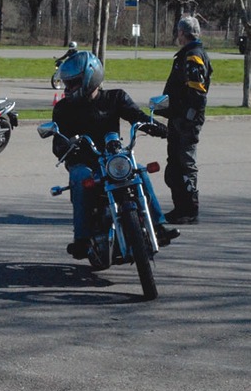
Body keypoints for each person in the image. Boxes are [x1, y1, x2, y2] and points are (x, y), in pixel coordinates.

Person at [50, 51, 180, 259]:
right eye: (67, 83)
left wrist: (162, 129)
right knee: (80, 177)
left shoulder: (115, 97)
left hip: (113, 158)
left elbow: (137, 117)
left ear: (89, 78)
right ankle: (82, 239)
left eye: (72, 82)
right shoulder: (63, 108)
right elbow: (58, 140)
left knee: (139, 171)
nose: (68, 88)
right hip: (84, 160)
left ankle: (158, 225)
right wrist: (65, 145)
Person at [159, 15, 213, 225]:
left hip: (186, 122)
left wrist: (187, 118)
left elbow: (197, 93)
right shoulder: (187, 54)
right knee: (174, 165)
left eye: (178, 32)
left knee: (185, 164)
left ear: (182, 33)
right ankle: (179, 208)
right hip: (178, 118)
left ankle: (189, 210)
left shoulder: (193, 56)